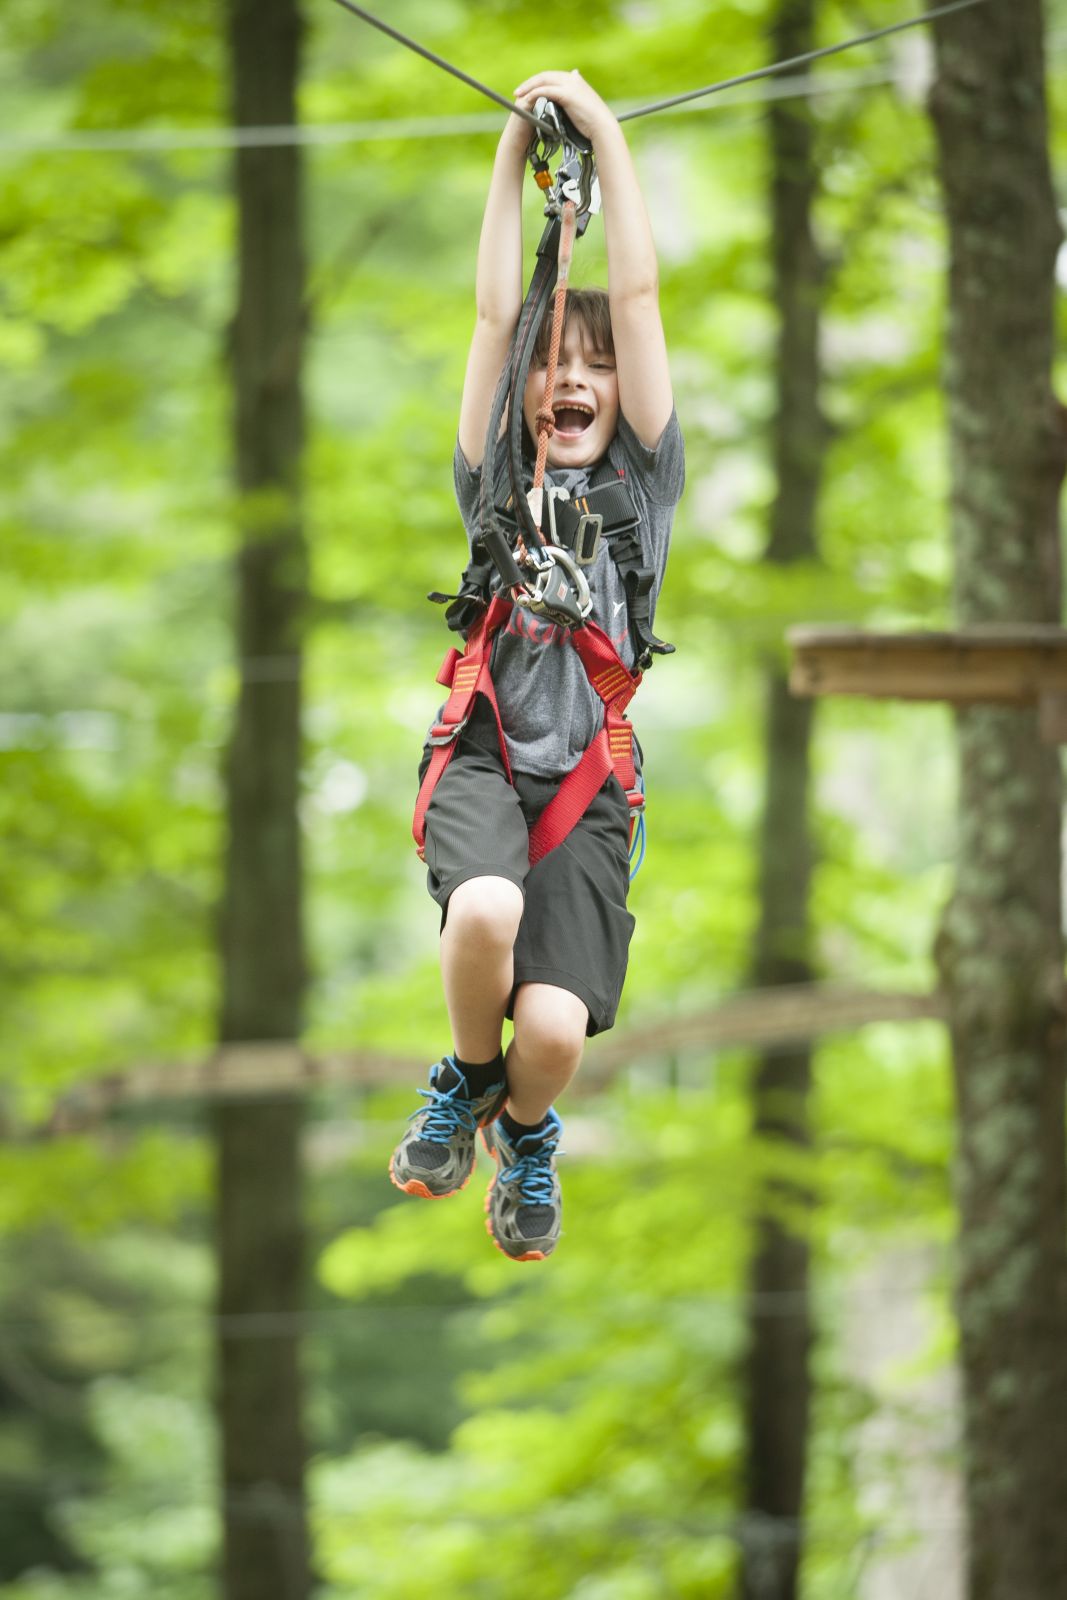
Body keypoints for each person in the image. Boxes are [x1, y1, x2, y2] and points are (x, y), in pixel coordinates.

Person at [390, 69, 684, 1261]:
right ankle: (463, 1084)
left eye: (596, 366)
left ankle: (522, 1121)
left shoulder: (640, 492)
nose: (570, 378)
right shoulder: (490, 484)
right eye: (554, 364)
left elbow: (642, 293)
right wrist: (514, 152)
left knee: (555, 1031)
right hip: (484, 755)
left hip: (587, 792)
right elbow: (492, 323)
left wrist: (605, 136)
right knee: (486, 909)